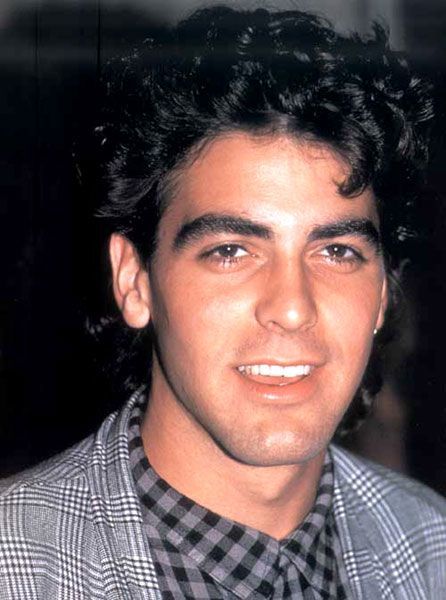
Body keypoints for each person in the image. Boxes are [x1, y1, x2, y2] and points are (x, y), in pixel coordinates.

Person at [1, 5, 445, 599]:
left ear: (384, 293)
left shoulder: (431, 547)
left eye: (337, 251)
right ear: (134, 281)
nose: (292, 308)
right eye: (232, 251)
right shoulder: (16, 566)